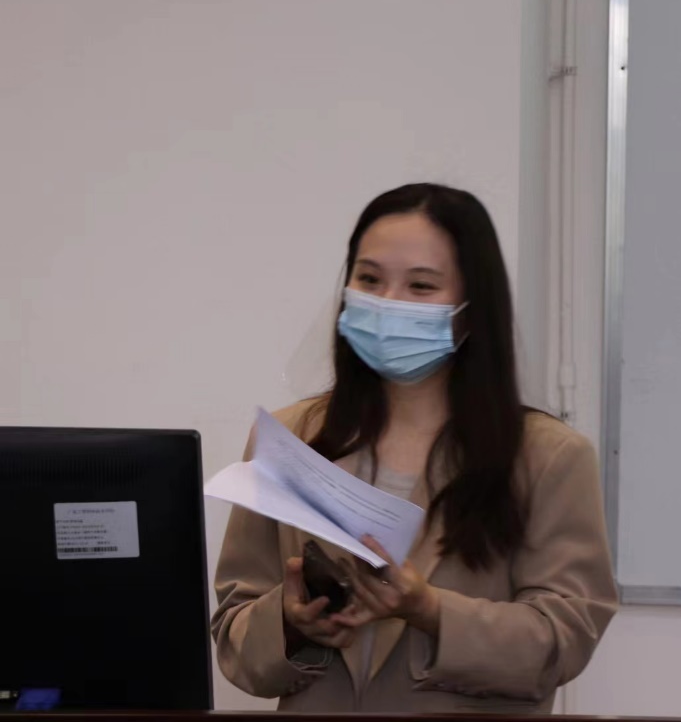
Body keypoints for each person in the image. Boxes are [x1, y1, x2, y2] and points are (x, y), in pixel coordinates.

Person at [212, 183, 618, 713]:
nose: (388, 302)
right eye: (369, 279)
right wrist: (289, 624)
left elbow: (563, 641)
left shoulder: (548, 456)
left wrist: (430, 610)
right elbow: (234, 636)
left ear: (472, 310)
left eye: (421, 286)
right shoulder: (292, 439)